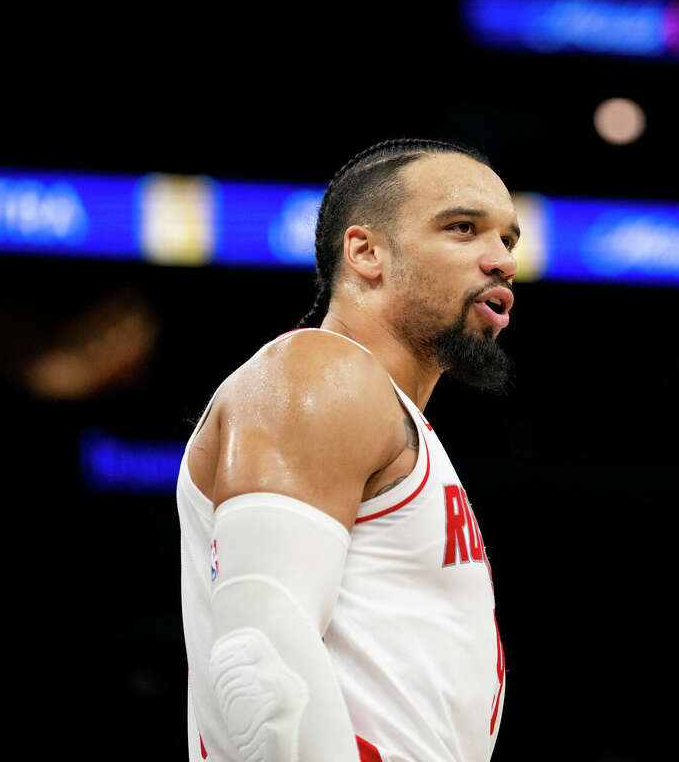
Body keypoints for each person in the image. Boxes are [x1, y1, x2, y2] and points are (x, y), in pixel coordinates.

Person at [177, 138, 519, 762]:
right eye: (463, 228)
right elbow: (258, 660)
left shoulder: (387, 413)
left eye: (507, 240)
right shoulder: (319, 373)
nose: (499, 260)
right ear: (365, 252)